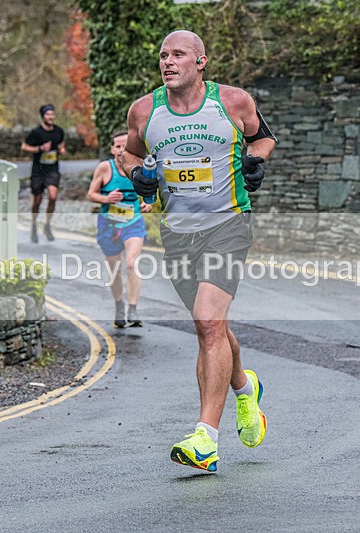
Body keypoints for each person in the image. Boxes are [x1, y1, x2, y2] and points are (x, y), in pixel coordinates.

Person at [122, 30, 277, 472]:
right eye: (162, 55)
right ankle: (246, 391)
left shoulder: (232, 102)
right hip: (177, 231)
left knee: (209, 322)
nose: (167, 62)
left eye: (178, 55)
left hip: (228, 223)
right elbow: (129, 157)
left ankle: (204, 439)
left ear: (201, 61)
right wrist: (138, 176)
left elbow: (262, 139)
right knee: (211, 327)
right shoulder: (144, 110)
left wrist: (256, 162)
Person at [87, 130, 152, 328]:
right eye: (117, 146)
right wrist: (106, 198)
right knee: (114, 270)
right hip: (109, 224)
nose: (121, 149)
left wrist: (148, 203)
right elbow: (91, 194)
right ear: (112, 149)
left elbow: (151, 190)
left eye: (125, 145)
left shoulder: (140, 166)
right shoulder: (105, 168)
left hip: (133, 222)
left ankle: (133, 309)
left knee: (132, 264)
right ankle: (119, 305)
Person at [21, 104, 67, 243]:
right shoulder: (36, 132)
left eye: (52, 114)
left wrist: (62, 150)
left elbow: (60, 144)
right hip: (38, 170)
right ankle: (34, 224)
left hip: (52, 169)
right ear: (43, 116)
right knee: (38, 199)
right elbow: (24, 147)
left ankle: (47, 224)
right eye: (48, 114)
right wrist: (39, 148)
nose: (51, 117)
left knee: (53, 196)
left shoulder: (59, 131)